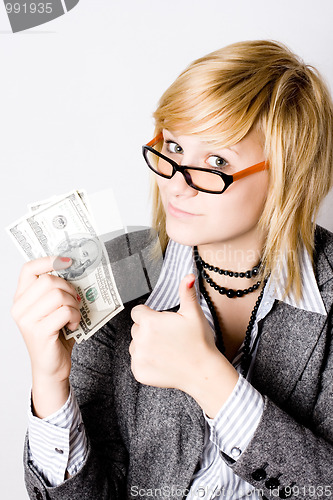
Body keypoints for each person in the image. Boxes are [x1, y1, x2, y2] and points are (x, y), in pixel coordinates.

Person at [11, 40, 333, 499]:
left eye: (216, 161)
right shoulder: (115, 270)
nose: (177, 184)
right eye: (175, 146)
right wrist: (50, 383)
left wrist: (211, 381)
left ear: (288, 172)